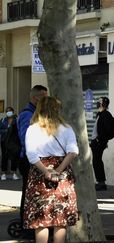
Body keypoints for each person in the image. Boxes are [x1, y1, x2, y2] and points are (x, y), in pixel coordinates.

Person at [23, 96, 79, 243]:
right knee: (60, 219)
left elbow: (31, 155)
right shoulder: (67, 128)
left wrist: (46, 171)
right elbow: (73, 151)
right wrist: (58, 170)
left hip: (38, 174)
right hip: (63, 173)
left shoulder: (32, 129)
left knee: (40, 220)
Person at [17, 84, 48, 238]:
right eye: (44, 97)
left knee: (35, 194)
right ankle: (27, 228)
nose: (47, 100)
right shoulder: (27, 115)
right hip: (29, 160)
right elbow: (25, 139)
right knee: (29, 194)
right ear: (36, 98)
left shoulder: (37, 113)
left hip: (36, 160)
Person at [91, 96, 114, 191]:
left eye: (99, 102)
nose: (97, 103)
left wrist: (100, 139)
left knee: (97, 161)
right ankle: (100, 181)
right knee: (96, 161)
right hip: (96, 141)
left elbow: (107, 130)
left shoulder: (105, 115)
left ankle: (101, 182)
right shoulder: (100, 114)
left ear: (102, 104)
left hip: (98, 142)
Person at [1, 107, 20, 180]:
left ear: (13, 112)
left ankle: (14, 173)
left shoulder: (17, 120)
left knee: (14, 157)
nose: (8, 112)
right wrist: (6, 130)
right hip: (4, 141)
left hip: (14, 141)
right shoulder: (3, 120)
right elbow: (0, 130)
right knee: (4, 156)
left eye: (10, 111)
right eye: (7, 111)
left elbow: (19, 129)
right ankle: (3, 173)